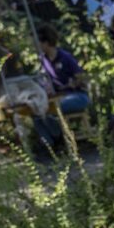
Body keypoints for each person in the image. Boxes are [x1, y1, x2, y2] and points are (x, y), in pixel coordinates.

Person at [34, 23, 90, 151]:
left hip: (77, 96)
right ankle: (49, 145)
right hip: (58, 96)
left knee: (54, 108)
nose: (35, 46)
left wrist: (74, 82)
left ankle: (59, 137)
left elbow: (81, 77)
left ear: (46, 43)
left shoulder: (65, 57)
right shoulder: (43, 60)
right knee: (36, 111)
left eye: (38, 43)